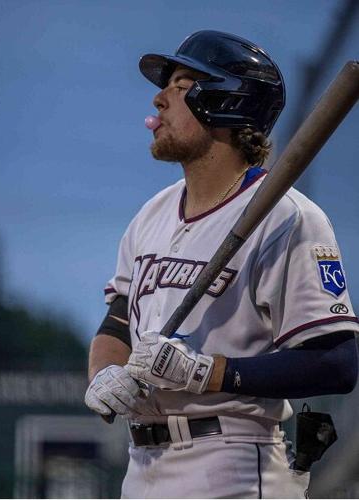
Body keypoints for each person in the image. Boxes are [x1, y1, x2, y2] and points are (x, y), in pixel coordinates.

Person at [84, 30, 358, 499]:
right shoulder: (151, 213)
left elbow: (337, 362)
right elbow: (116, 323)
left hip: (230, 462)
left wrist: (210, 372)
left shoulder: (290, 218)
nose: (160, 98)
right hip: (141, 465)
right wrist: (104, 374)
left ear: (225, 103)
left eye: (182, 85)